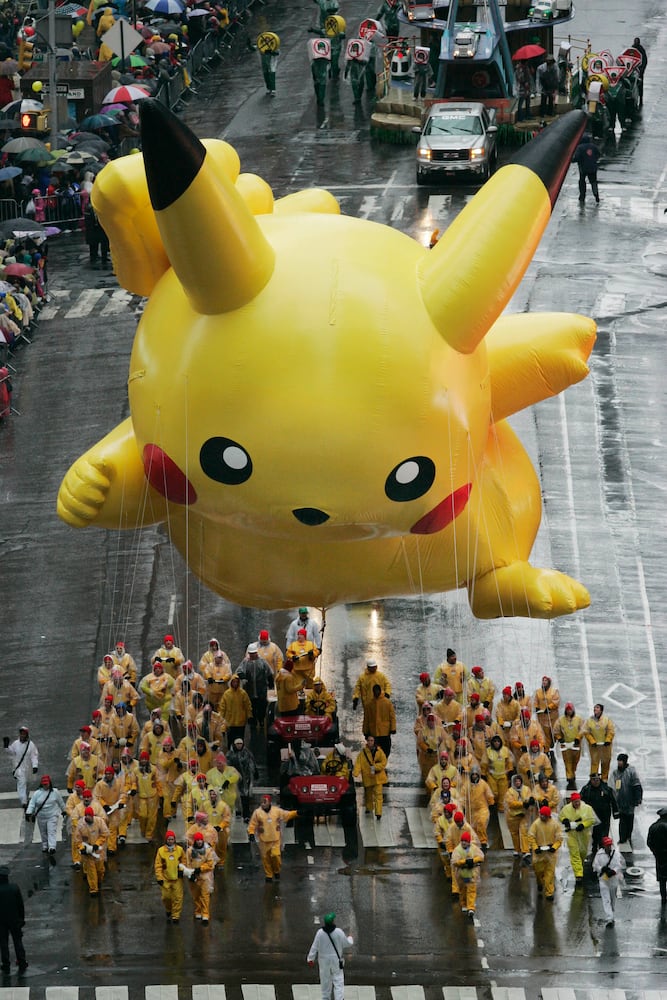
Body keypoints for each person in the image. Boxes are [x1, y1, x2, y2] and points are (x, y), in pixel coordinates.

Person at [247, 793, 297, 882]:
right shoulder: (257, 813)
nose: (263, 804)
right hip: (263, 840)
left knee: (275, 855)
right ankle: (269, 875)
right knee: (265, 858)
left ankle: (277, 870)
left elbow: (287, 815)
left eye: (265, 802)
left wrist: (297, 813)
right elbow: (252, 824)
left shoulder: (276, 811)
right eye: (262, 802)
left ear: (269, 802)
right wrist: (251, 833)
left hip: (275, 839)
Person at [307, 911, 354, 1000]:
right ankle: (339, 998)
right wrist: (350, 938)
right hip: (336, 960)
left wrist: (310, 959)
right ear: (333, 921)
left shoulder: (320, 933)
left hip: (323, 960)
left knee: (325, 980)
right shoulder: (338, 932)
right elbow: (347, 943)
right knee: (338, 979)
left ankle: (326, 998)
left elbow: (314, 946)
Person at [559, 791, 597, 883]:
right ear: (572, 802)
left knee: (582, 852)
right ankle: (578, 874)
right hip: (571, 835)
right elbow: (561, 816)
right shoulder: (566, 809)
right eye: (575, 801)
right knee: (574, 853)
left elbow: (592, 819)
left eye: (578, 801)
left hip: (584, 834)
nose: (577, 803)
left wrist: (583, 825)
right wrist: (565, 820)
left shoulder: (587, 808)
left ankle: (580, 865)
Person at [25, 775, 67, 858]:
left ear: (49, 783)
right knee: (43, 831)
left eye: (46, 784)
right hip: (41, 816)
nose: (45, 786)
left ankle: (52, 847)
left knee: (51, 831)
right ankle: (45, 845)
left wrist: (64, 810)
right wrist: (29, 812)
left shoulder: (55, 792)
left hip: (52, 815)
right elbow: (32, 804)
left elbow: (61, 802)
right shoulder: (37, 793)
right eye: (44, 784)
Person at [236, 643, 275, 729]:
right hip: (249, 688)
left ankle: (261, 719)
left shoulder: (262, 662)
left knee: (262, 705)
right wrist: (243, 676)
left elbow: (269, 672)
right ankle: (253, 720)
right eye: (251, 654)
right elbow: (239, 672)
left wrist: (271, 682)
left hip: (261, 688)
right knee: (251, 706)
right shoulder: (245, 662)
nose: (252, 655)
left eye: (254, 653)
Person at [527, 806, 562, 900]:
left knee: (549, 874)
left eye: (544, 816)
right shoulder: (536, 824)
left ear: (548, 816)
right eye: (541, 815)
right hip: (538, 854)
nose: (542, 817)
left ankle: (549, 893)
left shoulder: (555, 825)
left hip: (551, 855)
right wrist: (535, 847)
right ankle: (539, 882)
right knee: (538, 872)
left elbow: (559, 838)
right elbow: (531, 837)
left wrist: (554, 847)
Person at [592, 835, 625, 927]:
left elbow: (619, 865)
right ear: (604, 846)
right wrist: (602, 869)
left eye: (609, 845)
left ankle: (611, 912)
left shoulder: (616, 854)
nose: (608, 847)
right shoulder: (599, 855)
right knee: (606, 899)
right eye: (607, 845)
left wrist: (613, 871)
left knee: (612, 898)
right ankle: (609, 917)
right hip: (603, 879)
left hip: (613, 880)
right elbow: (595, 866)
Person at [580, 772, 617, 854]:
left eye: (597, 780)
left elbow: (613, 801)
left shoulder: (606, 789)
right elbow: (580, 802)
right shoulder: (586, 789)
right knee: (594, 832)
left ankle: (603, 846)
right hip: (592, 816)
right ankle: (594, 845)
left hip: (604, 815)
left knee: (604, 832)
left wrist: (616, 812)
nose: (596, 782)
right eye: (594, 780)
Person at [154, 829, 186, 924]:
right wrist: (159, 878)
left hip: (177, 879)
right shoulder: (161, 851)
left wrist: (182, 870)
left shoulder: (180, 850)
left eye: (172, 839)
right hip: (166, 879)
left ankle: (176, 915)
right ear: (166, 840)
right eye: (169, 839)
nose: (170, 841)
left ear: (174, 840)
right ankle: (168, 909)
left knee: (178, 898)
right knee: (166, 897)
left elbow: (184, 861)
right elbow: (158, 865)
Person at [611, 753, 643, 846]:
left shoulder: (632, 772)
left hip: (630, 801)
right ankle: (622, 837)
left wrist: (637, 798)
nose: (619, 763)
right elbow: (613, 785)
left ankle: (628, 835)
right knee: (622, 820)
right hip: (620, 801)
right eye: (618, 761)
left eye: (621, 761)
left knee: (629, 819)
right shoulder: (616, 772)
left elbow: (637, 785)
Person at [352, 735, 388, 819]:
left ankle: (378, 813)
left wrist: (376, 767)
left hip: (377, 777)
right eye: (369, 740)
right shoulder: (363, 753)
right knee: (368, 794)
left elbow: (384, 762)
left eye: (372, 740)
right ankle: (369, 808)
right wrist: (355, 773)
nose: (370, 742)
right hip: (368, 777)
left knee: (378, 795)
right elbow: (358, 763)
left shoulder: (379, 751)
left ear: (374, 741)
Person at [0, 866, 27, 974]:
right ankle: (21, 961)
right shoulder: (14, 888)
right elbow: (20, 906)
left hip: (1, 921)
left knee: (3, 943)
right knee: (18, 941)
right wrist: (22, 919)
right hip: (14, 920)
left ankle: (6, 963)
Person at [451, 830, 484, 917]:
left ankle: (471, 908)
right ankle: (464, 904)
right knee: (462, 890)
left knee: (471, 890)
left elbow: (481, 857)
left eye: (465, 841)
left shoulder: (474, 848)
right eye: (462, 841)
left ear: (469, 842)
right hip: (461, 874)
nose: (463, 843)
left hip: (472, 874)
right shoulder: (457, 850)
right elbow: (454, 861)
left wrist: (473, 860)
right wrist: (464, 862)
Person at [184, 831, 216, 924]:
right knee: (196, 895)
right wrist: (190, 873)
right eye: (197, 840)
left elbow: (210, 864)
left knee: (205, 896)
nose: (199, 842)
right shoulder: (190, 851)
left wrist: (201, 869)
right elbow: (188, 863)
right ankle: (198, 911)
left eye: (200, 840)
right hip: (194, 876)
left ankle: (205, 914)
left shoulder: (208, 850)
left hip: (205, 877)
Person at [3, 726, 39, 808]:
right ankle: (24, 802)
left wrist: (35, 766)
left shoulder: (31, 745)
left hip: (28, 768)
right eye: (21, 733)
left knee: (26, 783)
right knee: (21, 783)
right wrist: (6, 746)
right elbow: (12, 751)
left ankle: (25, 798)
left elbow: (34, 756)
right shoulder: (16, 743)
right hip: (19, 768)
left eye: (24, 734)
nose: (22, 735)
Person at [227, 737, 259, 822]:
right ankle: (237, 812)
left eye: (240, 744)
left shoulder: (247, 753)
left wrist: (255, 772)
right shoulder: (230, 754)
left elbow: (252, 762)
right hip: (235, 778)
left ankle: (246, 815)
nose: (239, 746)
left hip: (246, 778)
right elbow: (228, 766)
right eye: (237, 744)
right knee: (236, 796)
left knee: (245, 796)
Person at [553, 702, 584, 790]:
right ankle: (569, 777)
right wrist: (560, 738)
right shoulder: (561, 720)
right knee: (567, 761)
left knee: (575, 761)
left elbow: (582, 729)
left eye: (570, 710)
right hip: (565, 745)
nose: (569, 711)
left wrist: (578, 738)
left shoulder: (578, 719)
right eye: (568, 710)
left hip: (576, 745)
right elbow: (556, 730)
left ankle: (572, 772)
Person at [363, 683, 396, 758]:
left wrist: (393, 728)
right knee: (376, 751)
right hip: (375, 732)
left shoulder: (387, 702)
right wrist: (365, 731)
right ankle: (379, 764)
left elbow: (392, 716)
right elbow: (366, 719)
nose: (376, 693)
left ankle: (381, 764)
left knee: (385, 750)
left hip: (384, 732)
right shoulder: (370, 704)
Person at [583, 703, 615, 781]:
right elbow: (586, 732)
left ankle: (604, 779)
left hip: (605, 746)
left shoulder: (606, 720)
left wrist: (608, 740)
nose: (595, 709)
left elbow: (611, 731)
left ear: (601, 710)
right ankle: (593, 779)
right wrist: (592, 741)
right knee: (594, 763)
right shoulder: (589, 721)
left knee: (606, 763)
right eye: (594, 708)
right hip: (595, 746)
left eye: (597, 708)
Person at [220, 675, 253, 744]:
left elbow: (248, 705)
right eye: (234, 682)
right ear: (231, 683)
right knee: (230, 742)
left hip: (240, 723)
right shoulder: (226, 694)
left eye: (236, 682)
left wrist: (250, 716)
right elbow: (222, 708)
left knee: (239, 742)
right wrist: (221, 723)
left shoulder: (243, 693)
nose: (235, 683)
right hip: (230, 723)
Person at [647, 806, 667, 906]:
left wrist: (655, 852)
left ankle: (663, 897)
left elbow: (649, 842)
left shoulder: (653, 826)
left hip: (659, 856)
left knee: (662, 879)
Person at [573, 134, 601, 204]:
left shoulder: (579, 147)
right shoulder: (593, 146)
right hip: (593, 168)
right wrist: (594, 160)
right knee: (593, 182)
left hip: (583, 168)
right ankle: (596, 196)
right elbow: (599, 154)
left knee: (582, 181)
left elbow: (577, 158)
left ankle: (582, 196)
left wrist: (571, 160)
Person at [84, 202, 110, 269]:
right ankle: (93, 257)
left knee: (104, 243)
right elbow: (87, 219)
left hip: (102, 228)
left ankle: (104, 258)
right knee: (93, 244)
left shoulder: (103, 207)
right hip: (93, 229)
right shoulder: (88, 207)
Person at [632, 37, 647, 105]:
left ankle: (641, 97)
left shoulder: (641, 49)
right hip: (633, 69)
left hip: (639, 69)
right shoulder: (632, 48)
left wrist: (642, 69)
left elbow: (644, 60)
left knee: (640, 84)